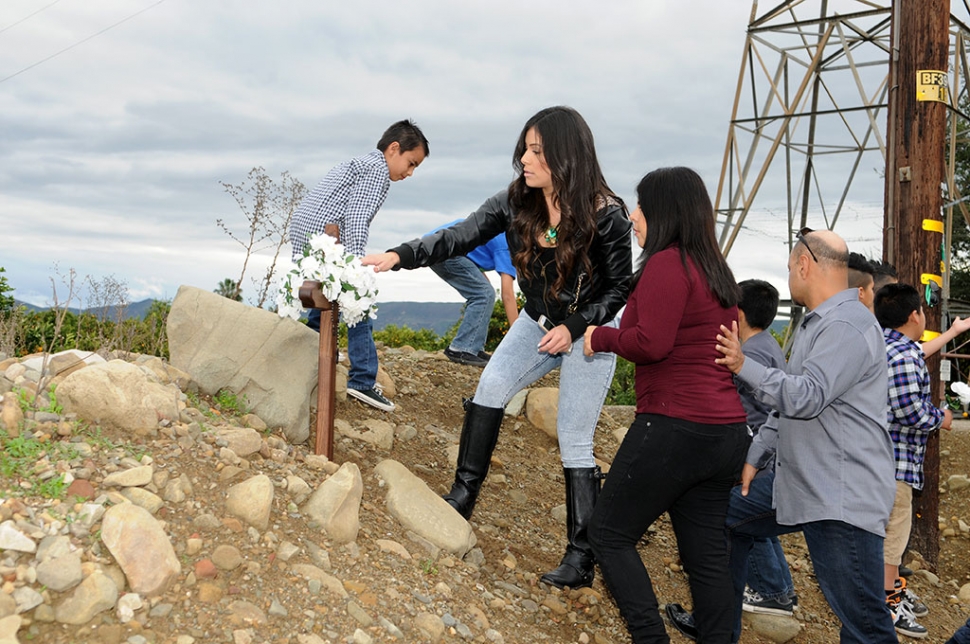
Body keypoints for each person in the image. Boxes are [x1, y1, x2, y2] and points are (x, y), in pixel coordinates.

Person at [362, 106, 632, 590]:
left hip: (590, 332)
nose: (524, 160)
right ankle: (462, 497)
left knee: (573, 436)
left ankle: (580, 556)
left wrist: (574, 326)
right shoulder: (515, 201)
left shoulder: (607, 215)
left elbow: (618, 290)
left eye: (536, 151)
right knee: (489, 388)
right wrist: (400, 255)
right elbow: (460, 235)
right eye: (525, 149)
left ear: (565, 157)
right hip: (537, 320)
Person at [584, 167, 750, 642]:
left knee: (608, 534)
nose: (634, 216)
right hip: (724, 433)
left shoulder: (667, 263)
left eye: (641, 206)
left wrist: (601, 336)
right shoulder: (716, 270)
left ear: (664, 212)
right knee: (707, 558)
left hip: (676, 423)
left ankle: (649, 637)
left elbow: (652, 343)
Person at [715, 228, 898, 643]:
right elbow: (790, 404)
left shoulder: (847, 326)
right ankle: (718, 630)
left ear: (804, 264)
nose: (789, 277)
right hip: (802, 484)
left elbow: (807, 396)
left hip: (839, 497)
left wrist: (743, 364)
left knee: (865, 626)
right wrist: (756, 453)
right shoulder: (819, 324)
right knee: (726, 517)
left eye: (789, 267)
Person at [289, 119, 429, 412]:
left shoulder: (360, 163)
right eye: (411, 162)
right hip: (326, 235)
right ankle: (363, 380)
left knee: (323, 295)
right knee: (358, 298)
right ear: (394, 149)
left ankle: (317, 348)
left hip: (306, 232)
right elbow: (356, 216)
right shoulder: (377, 170)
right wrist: (354, 266)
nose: (410, 172)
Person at [874, 283, 953, 639]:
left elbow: (918, 353)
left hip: (876, 461)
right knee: (894, 536)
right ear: (913, 316)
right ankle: (887, 606)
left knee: (883, 535)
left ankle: (885, 596)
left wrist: (955, 331)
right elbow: (910, 411)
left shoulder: (885, 346)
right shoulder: (905, 357)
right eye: (922, 311)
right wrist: (942, 417)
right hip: (897, 465)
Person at [425, 219, 518, 367]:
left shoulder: (503, 234)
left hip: (439, 245)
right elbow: (507, 295)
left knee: (485, 292)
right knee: (484, 294)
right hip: (442, 248)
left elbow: (474, 256)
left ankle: (473, 348)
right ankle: (461, 348)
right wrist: (518, 336)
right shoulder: (508, 246)